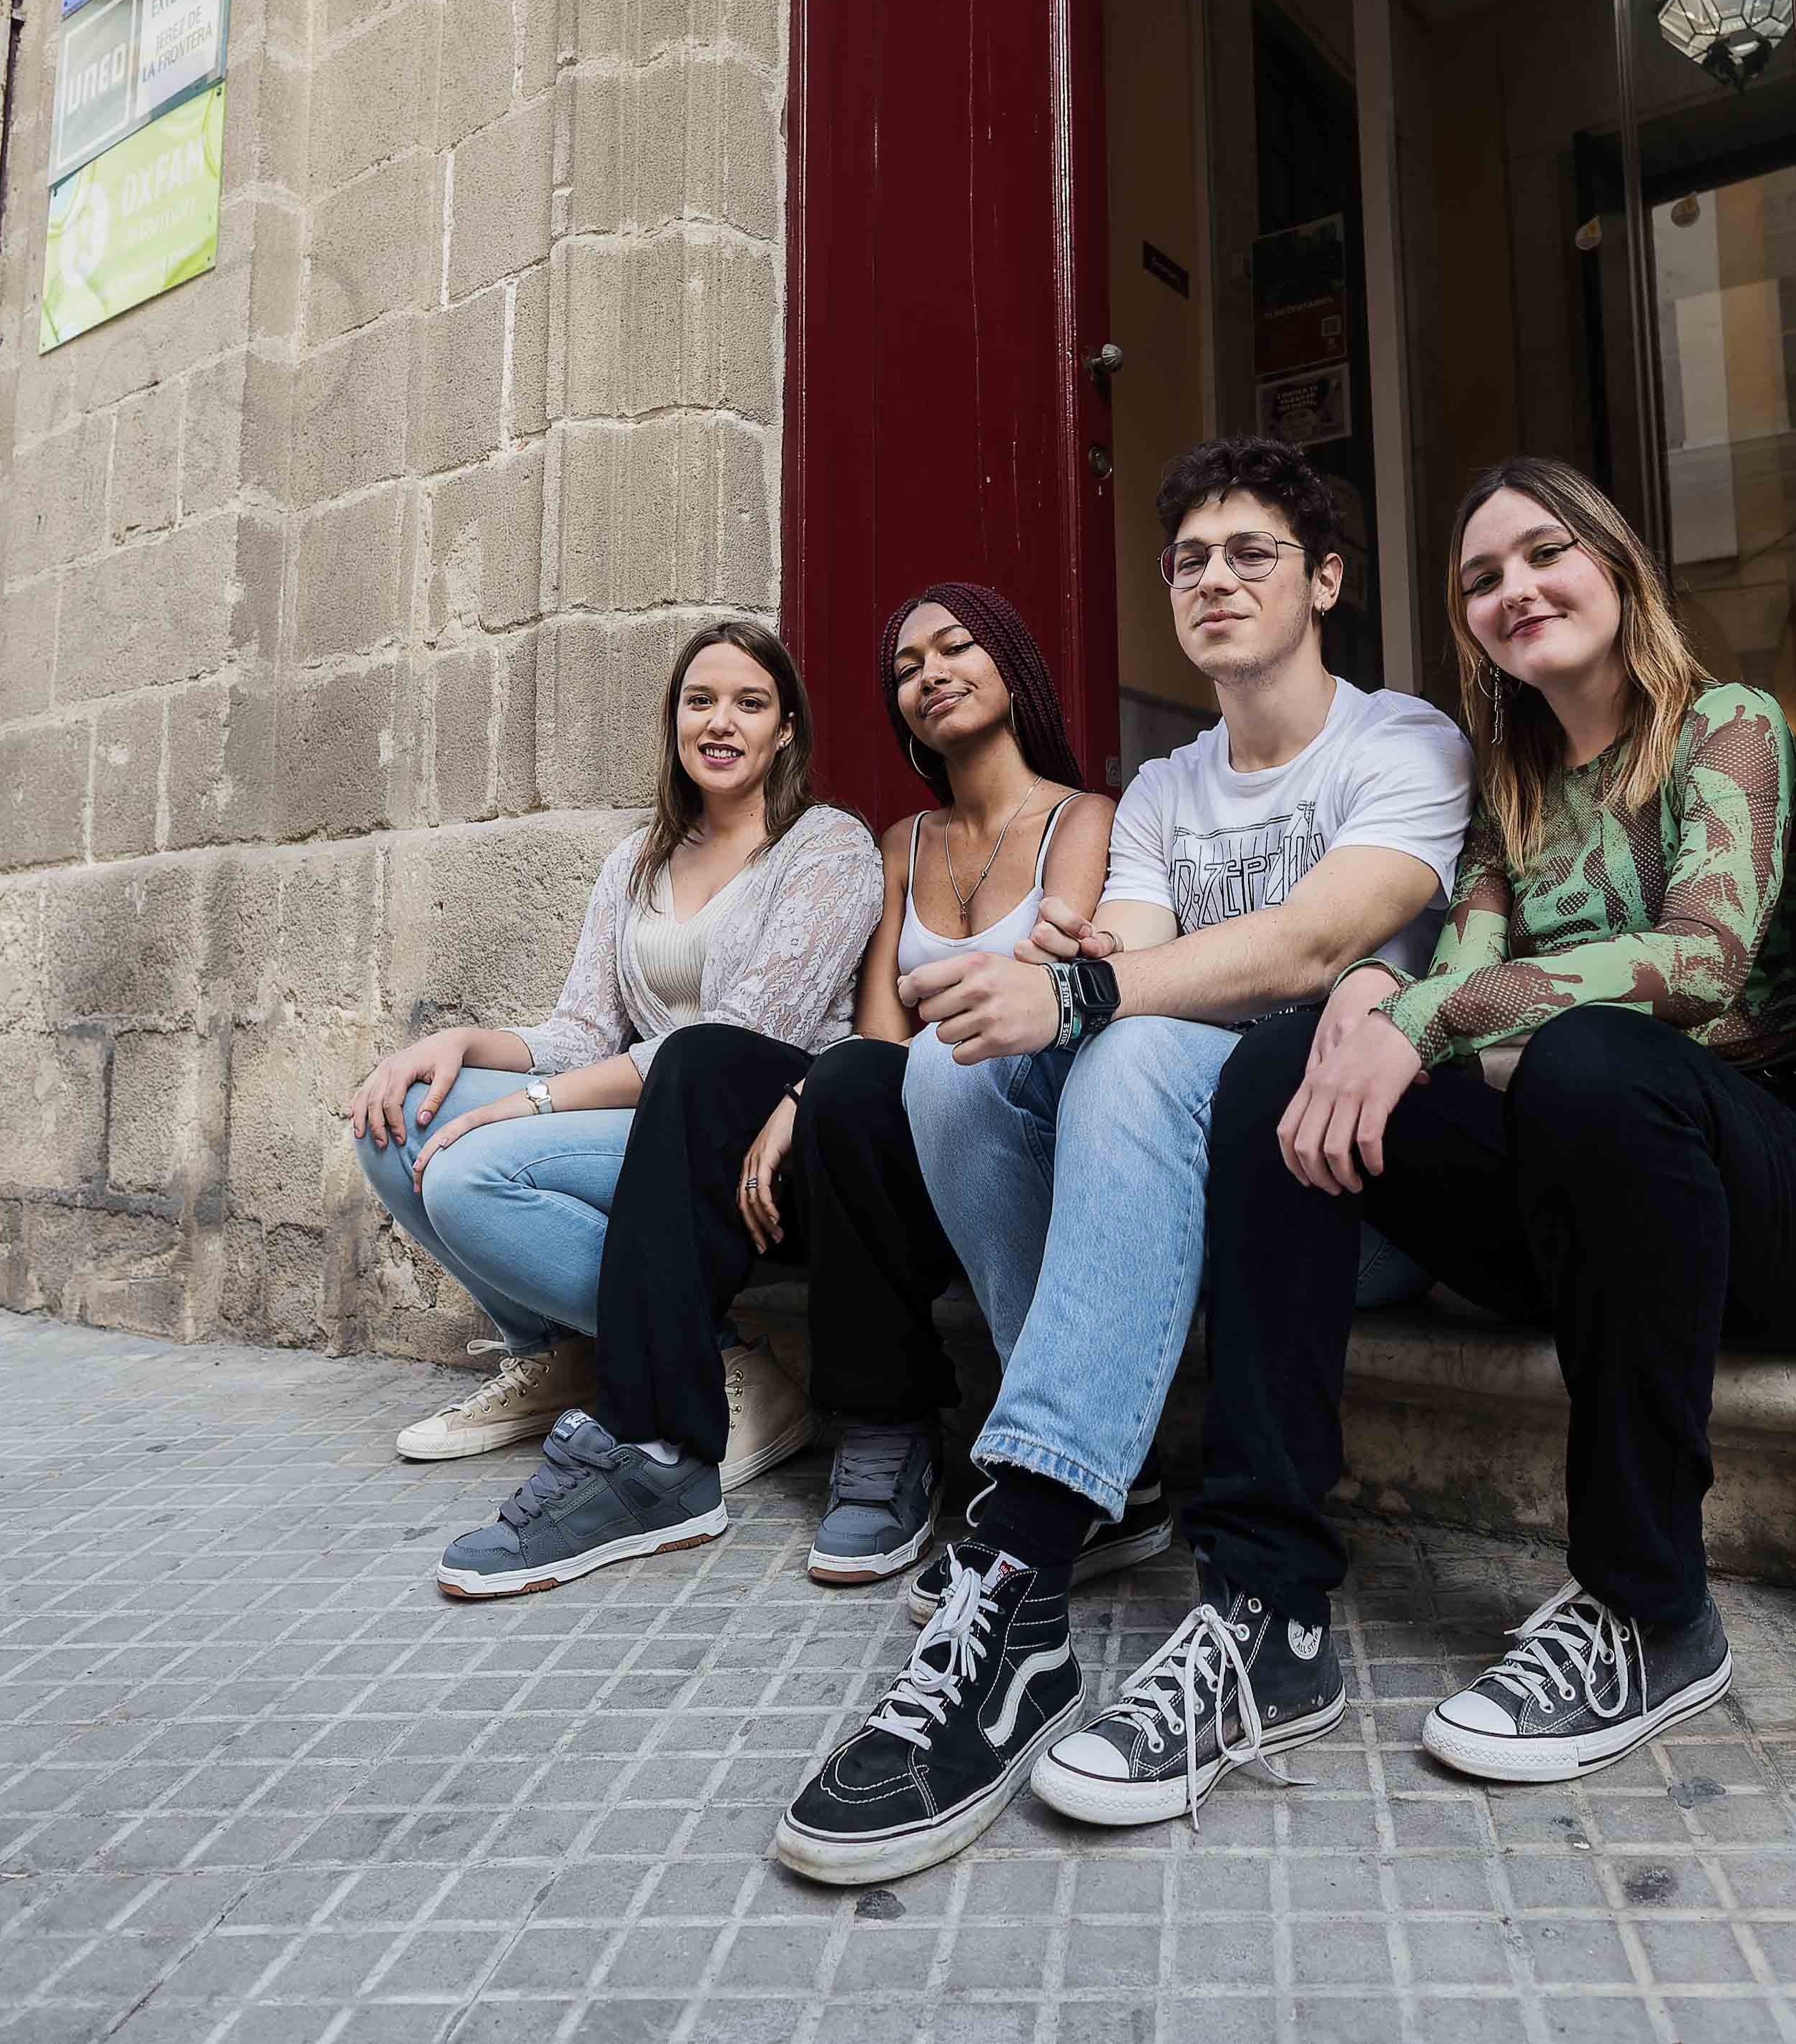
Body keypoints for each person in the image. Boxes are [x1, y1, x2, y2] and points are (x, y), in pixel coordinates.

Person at [1032, 455, 1796, 1825]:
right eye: (1482, 577)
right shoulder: (1512, 795)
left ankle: (1651, 1610)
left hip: (1763, 1195)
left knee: (1594, 1060)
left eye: (1545, 555)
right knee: (1288, 1054)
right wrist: (1370, 1002)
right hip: (1573, 1206)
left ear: (1616, 564)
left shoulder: (1731, 727)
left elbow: (1702, 960)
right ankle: (1265, 1610)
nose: (1515, 590)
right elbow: (1437, 985)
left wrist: (1420, 1008)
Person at [772, 439, 1473, 1887]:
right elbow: (1135, 957)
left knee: (1132, 1046)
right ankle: (1089, 1479)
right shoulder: (1161, 788)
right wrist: (1069, 975)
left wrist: (1097, 994)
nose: (1210, 580)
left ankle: (1016, 1566)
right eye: (1186, 561)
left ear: (1324, 578)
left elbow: (1312, 943)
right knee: (951, 1061)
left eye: (1248, 553)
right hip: (1179, 1184)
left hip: (1341, 1188)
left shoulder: (1400, 740)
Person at [483, 582, 1114, 1600]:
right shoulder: (901, 843)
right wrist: (794, 1100)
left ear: (1014, 668)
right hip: (888, 1152)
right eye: (907, 669)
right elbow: (877, 1039)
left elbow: (1044, 988)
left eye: (956, 650)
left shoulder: (1083, 819)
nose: (929, 676)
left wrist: (812, 1096)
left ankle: (886, 1424)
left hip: (1010, 1141)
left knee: (848, 1081)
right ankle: (657, 1449)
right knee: (702, 1058)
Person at [343, 621, 881, 1571]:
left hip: (753, 1135)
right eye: (700, 701)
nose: (722, 722)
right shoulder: (634, 861)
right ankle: (567, 1353)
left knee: (468, 1177)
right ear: (674, 721)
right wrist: (458, 1044)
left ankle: (709, 1357)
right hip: (640, 1109)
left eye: (750, 704)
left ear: (785, 730)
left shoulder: (826, 848)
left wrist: (534, 1105)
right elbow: (583, 1032)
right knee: (397, 1120)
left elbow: (747, 1038)